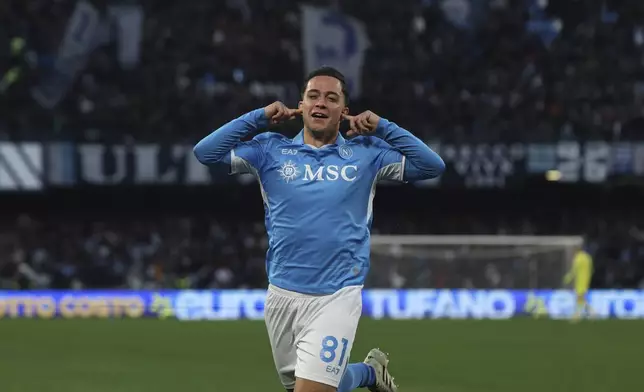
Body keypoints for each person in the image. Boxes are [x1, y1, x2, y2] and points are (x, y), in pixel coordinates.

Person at [193, 66, 445, 392]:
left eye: (331, 98)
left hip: (337, 295)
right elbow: (205, 153)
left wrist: (383, 127)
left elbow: (432, 166)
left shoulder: (367, 153)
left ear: (344, 111)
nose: (321, 103)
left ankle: (367, 373)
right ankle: (369, 373)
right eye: (313, 96)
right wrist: (258, 118)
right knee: (307, 384)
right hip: (282, 294)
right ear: (301, 105)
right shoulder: (269, 150)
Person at [564, 244, 594, 321]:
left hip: (579, 281)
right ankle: (590, 313)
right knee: (581, 298)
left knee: (579, 298)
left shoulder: (577, 258)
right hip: (586, 280)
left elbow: (574, 270)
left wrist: (568, 278)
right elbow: (591, 270)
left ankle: (578, 315)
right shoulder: (588, 257)